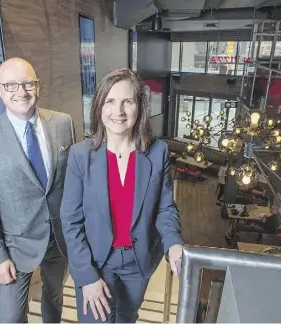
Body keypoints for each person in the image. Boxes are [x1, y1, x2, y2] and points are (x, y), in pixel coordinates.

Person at [60, 68, 184, 323]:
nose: (118, 111)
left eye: (127, 101)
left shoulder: (157, 151)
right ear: (99, 107)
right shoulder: (79, 156)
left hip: (138, 263)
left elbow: (165, 208)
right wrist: (87, 276)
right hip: (96, 262)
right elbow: (70, 223)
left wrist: (173, 242)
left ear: (139, 107)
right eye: (110, 102)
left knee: (127, 318)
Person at [0, 57, 75, 323]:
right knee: (10, 318)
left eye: (27, 84)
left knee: (55, 298)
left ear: (37, 87)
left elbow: (72, 181)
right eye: (11, 85)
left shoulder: (63, 123)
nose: (21, 92)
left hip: (59, 239)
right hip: (14, 245)